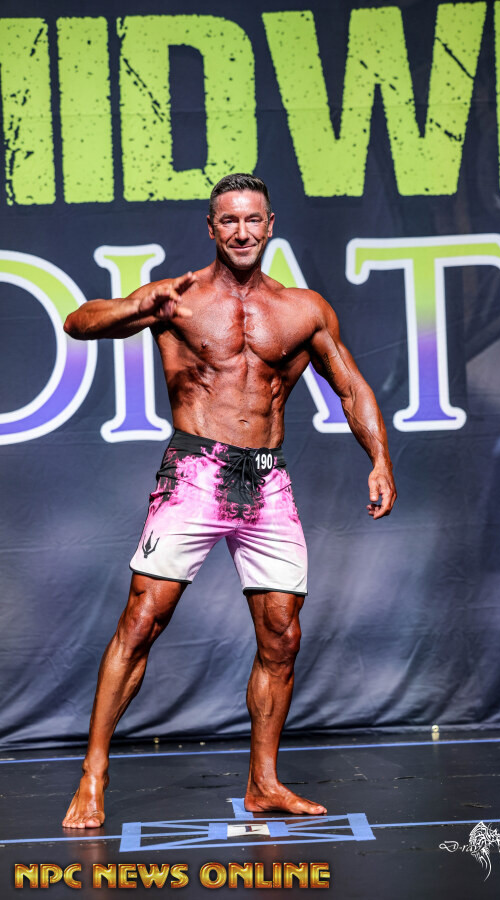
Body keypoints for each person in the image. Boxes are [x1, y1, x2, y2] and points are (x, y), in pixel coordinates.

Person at [61, 173, 396, 828]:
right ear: (211, 228)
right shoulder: (178, 299)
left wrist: (379, 459)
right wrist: (137, 306)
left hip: (267, 480)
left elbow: (351, 388)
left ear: (270, 226)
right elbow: (79, 323)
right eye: (229, 221)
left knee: (282, 634)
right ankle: (94, 773)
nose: (242, 232)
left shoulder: (303, 309)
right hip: (194, 469)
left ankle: (263, 783)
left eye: (252, 220)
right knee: (142, 619)